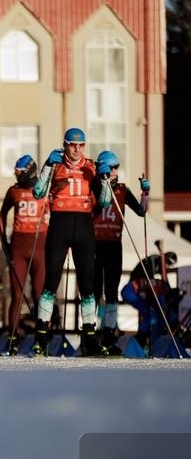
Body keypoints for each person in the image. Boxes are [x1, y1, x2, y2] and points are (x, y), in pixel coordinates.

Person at [31, 128, 111, 356]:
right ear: (65, 145)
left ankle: (90, 339)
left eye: (81, 145)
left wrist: (104, 179)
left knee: (87, 284)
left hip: (84, 227)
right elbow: (38, 193)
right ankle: (41, 339)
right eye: (73, 145)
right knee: (51, 282)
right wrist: (46, 165)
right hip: (60, 225)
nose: (77, 149)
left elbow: (104, 203)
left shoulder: (92, 166)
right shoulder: (56, 164)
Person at [91, 150, 149, 354]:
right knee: (94, 290)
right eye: (110, 167)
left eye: (116, 167)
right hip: (95, 244)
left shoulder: (123, 190)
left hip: (114, 245)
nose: (114, 171)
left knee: (112, 292)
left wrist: (145, 193)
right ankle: (92, 334)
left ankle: (108, 335)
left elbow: (142, 211)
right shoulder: (94, 186)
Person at [0, 154, 49, 355]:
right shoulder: (14, 191)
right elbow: (2, 216)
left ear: (29, 171)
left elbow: (57, 217)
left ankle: (42, 337)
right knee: (17, 295)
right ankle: (12, 339)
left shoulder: (44, 190)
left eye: (19, 173)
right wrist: (4, 242)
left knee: (39, 295)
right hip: (18, 248)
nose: (16, 176)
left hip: (40, 248)